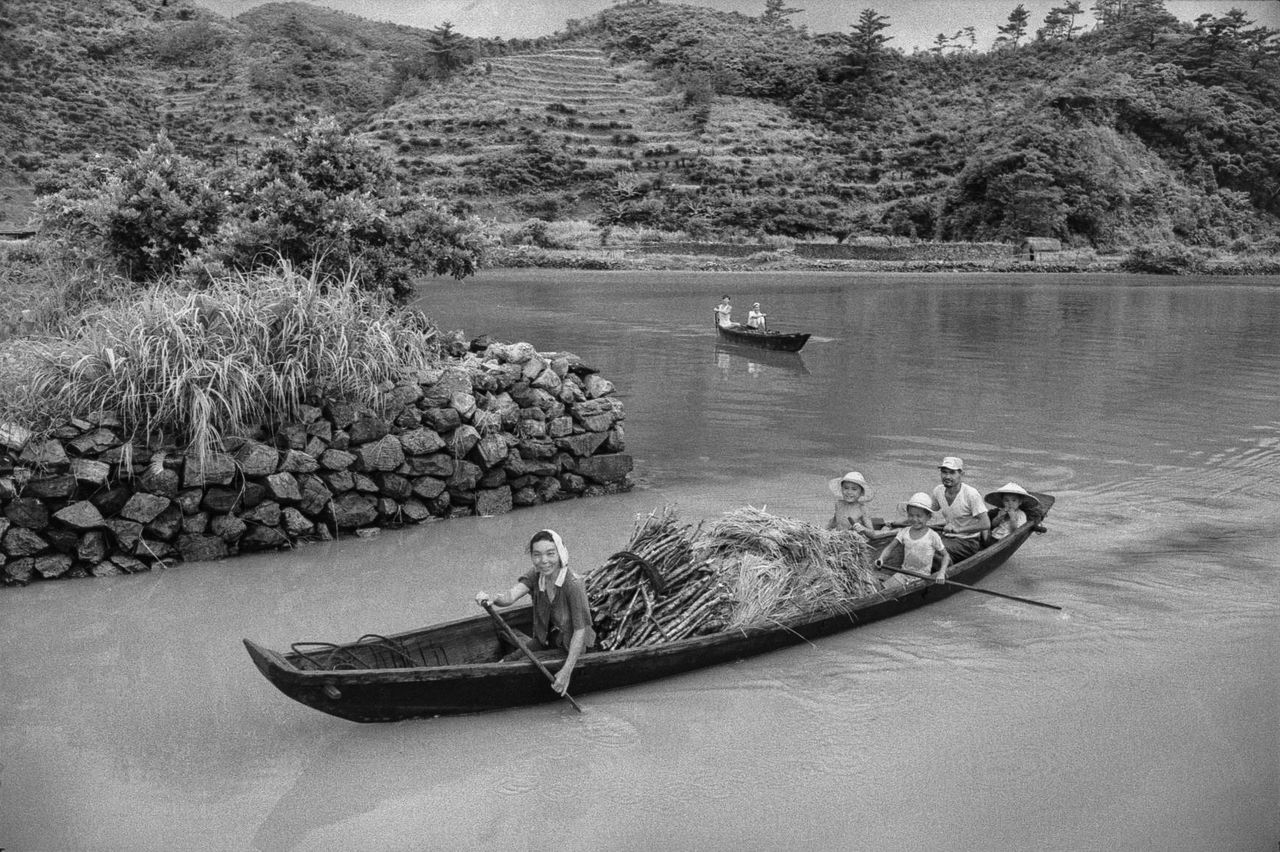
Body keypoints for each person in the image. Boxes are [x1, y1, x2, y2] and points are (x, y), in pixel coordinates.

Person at [475, 530, 596, 696]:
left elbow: (580, 631)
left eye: (550, 554)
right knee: (508, 660)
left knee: (523, 663)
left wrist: (566, 672)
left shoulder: (573, 584)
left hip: (571, 648)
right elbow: (510, 597)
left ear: (560, 554)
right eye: (537, 555)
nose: (543, 561)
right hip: (546, 639)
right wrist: (492, 600)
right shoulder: (536, 574)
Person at [874, 492, 951, 586]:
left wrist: (941, 573)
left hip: (922, 577)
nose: (914, 519)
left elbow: (946, 556)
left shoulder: (933, 536)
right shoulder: (904, 532)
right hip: (903, 573)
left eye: (919, 516)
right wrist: (881, 559)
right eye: (911, 515)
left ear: (928, 517)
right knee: (883, 589)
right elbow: (890, 547)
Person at [931, 456, 990, 562]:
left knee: (930, 548)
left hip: (968, 541)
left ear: (961, 474)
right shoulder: (938, 491)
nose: (947, 476)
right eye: (944, 472)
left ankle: (946, 567)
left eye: (952, 473)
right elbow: (929, 511)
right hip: (947, 536)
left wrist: (959, 530)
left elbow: (985, 524)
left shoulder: (971, 494)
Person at [826, 470, 875, 535]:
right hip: (840, 538)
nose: (849, 492)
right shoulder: (839, 504)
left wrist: (862, 528)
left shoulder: (862, 509)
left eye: (854, 489)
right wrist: (824, 531)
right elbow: (834, 522)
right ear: (841, 489)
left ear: (861, 492)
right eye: (846, 488)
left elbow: (872, 532)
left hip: (855, 541)